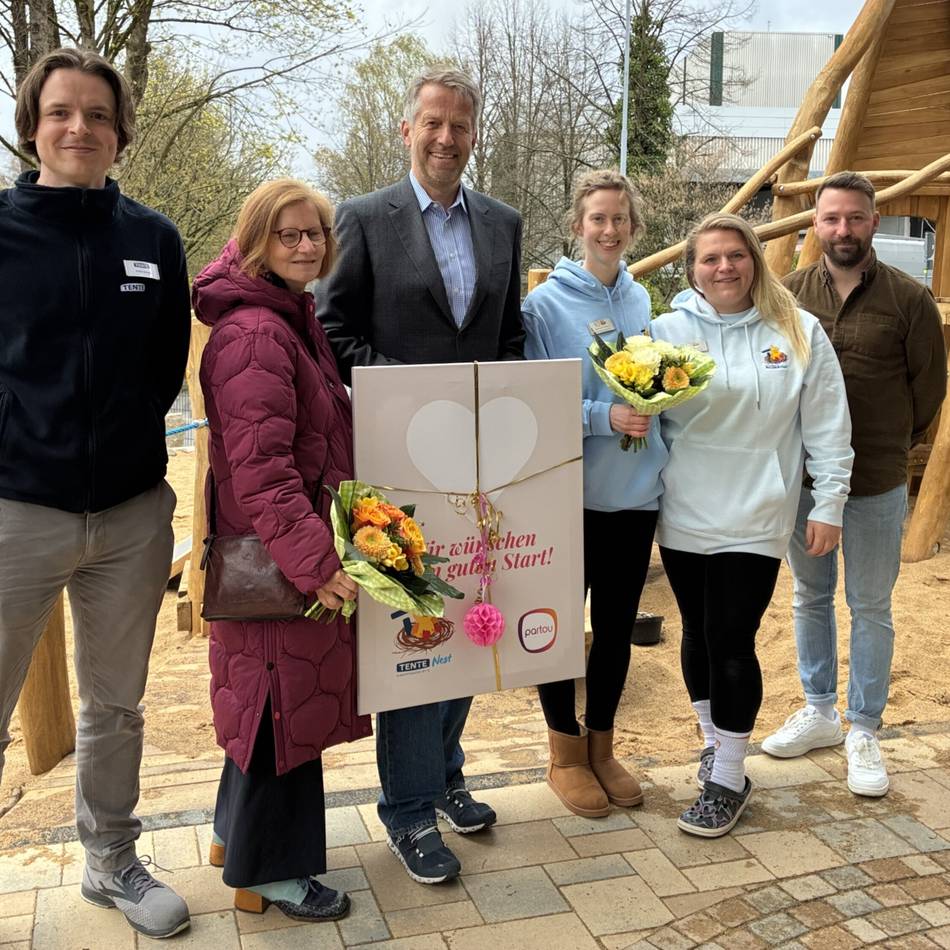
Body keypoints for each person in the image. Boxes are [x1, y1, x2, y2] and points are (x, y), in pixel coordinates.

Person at [0, 49, 190, 938]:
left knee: (114, 707)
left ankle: (111, 859)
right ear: (32, 125)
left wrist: (126, 444)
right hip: (16, 513)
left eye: (100, 115)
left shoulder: (153, 238)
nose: (81, 128)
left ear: (120, 132)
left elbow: (163, 367)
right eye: (62, 112)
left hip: (129, 516)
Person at [317, 67, 523, 884]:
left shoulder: (503, 223)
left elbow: (508, 336)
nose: (446, 138)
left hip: (478, 464)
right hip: (395, 464)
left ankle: (442, 778)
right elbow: (333, 332)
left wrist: (500, 412)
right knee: (415, 628)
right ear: (407, 130)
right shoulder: (364, 219)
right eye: (432, 123)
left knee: (468, 613)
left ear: (474, 134)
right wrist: (416, 394)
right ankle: (406, 809)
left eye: (460, 125)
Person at [192, 179, 373, 920]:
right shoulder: (258, 335)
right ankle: (270, 874)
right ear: (256, 241)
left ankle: (232, 837)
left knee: (265, 703)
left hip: (278, 554)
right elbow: (263, 471)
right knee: (280, 712)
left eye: (315, 234)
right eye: (288, 234)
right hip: (279, 564)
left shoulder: (288, 316)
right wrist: (318, 564)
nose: (306, 246)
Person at [651, 213, 853, 837]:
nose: (725, 268)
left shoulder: (797, 329)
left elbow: (828, 422)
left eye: (736, 255)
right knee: (697, 631)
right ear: (692, 270)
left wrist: (829, 503)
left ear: (755, 261)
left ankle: (729, 778)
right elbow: (647, 418)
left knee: (732, 637)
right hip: (684, 507)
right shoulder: (664, 333)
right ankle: (715, 745)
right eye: (710, 258)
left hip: (759, 510)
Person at [762, 171, 946, 796]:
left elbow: (928, 390)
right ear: (815, 223)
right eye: (832, 218)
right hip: (803, 480)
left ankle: (863, 727)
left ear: (875, 221)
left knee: (870, 605)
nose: (843, 229)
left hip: (874, 481)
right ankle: (819, 709)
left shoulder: (909, 299)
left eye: (855, 218)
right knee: (809, 596)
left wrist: (893, 444)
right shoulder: (786, 295)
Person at [520, 170, 667, 817]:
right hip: (568, 495)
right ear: (578, 226)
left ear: (633, 227)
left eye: (620, 219)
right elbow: (530, 400)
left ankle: (603, 746)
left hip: (632, 496)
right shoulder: (544, 307)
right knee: (555, 629)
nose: (610, 230)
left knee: (613, 630)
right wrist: (602, 417)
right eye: (598, 218)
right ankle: (564, 754)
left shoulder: (640, 301)